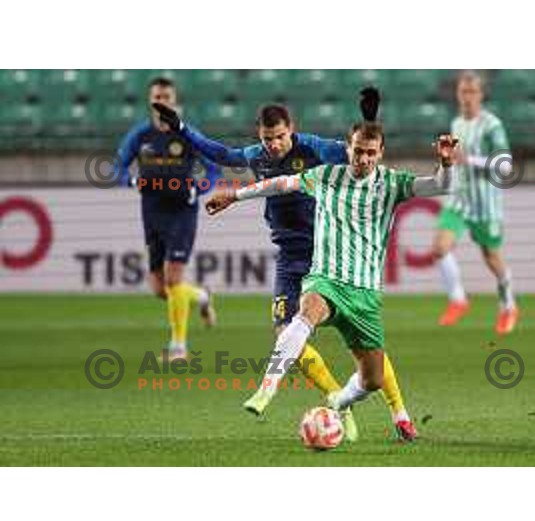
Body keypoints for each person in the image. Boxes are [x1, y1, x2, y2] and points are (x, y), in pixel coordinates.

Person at [152, 91, 414, 441]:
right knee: (284, 332)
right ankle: (338, 399)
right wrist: (182, 128)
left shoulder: (314, 148)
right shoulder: (255, 156)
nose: (274, 145)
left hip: (329, 253)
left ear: (293, 130)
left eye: (280, 137)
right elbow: (220, 153)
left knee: (368, 342)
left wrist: (369, 118)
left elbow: (358, 152)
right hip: (291, 258)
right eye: (267, 139)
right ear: (259, 135)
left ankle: (399, 412)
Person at [205, 122, 456, 442]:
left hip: (365, 294)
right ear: (347, 149)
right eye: (357, 151)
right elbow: (281, 183)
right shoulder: (326, 176)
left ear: (380, 154)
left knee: (373, 379)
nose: (362, 159)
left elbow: (440, 186)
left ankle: (340, 400)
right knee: (303, 316)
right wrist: (235, 195)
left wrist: (446, 163)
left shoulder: (393, 183)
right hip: (326, 279)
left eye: (370, 153)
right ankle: (266, 390)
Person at [113, 76, 220, 360]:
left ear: (174, 102)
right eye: (157, 97)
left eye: (166, 97)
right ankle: (202, 296)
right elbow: (118, 167)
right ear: (151, 101)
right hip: (152, 212)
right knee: (161, 289)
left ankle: (178, 348)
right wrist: (132, 182)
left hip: (182, 212)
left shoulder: (187, 135)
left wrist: (200, 188)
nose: (161, 102)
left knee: (174, 280)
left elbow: (213, 170)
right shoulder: (140, 135)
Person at [435, 72, 519, 335]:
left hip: (486, 205)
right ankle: (458, 300)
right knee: (440, 248)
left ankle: (508, 306)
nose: (467, 97)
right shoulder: (457, 123)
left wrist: (468, 159)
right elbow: (457, 160)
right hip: (459, 200)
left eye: (472, 92)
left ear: (481, 95)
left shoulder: (492, 125)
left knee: (492, 258)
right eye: (463, 92)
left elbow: (505, 165)